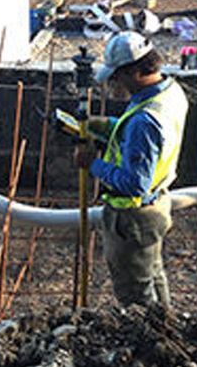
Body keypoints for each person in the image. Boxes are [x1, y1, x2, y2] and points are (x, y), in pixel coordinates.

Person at [75, 31, 189, 311]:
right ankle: (166, 324)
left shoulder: (144, 121)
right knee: (153, 276)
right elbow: (139, 135)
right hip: (156, 206)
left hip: (133, 217)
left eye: (117, 76)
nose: (115, 82)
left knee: (136, 296)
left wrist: (92, 164)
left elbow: (135, 184)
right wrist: (106, 126)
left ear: (135, 71)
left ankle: (151, 335)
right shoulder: (169, 92)